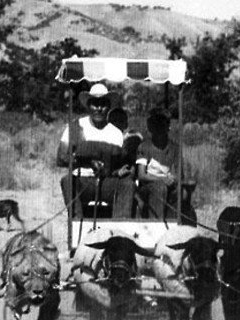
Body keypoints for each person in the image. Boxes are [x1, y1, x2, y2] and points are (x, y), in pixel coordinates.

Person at [57, 84, 135, 218]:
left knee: (127, 185)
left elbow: (119, 166)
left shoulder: (115, 133)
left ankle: (119, 230)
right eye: (95, 104)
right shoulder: (75, 127)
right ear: (88, 106)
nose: (99, 109)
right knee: (67, 181)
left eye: (103, 104)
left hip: (107, 183)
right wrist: (86, 161)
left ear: (109, 107)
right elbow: (61, 158)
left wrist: (121, 171)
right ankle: (77, 224)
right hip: (82, 181)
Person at [135, 109, 179, 219]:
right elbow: (141, 175)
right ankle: (156, 224)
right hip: (148, 187)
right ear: (150, 127)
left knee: (181, 193)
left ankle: (176, 225)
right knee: (159, 188)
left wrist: (173, 179)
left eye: (163, 124)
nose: (159, 128)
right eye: (156, 124)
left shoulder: (175, 148)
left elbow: (179, 174)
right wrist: (162, 180)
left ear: (168, 126)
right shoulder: (144, 147)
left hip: (167, 185)